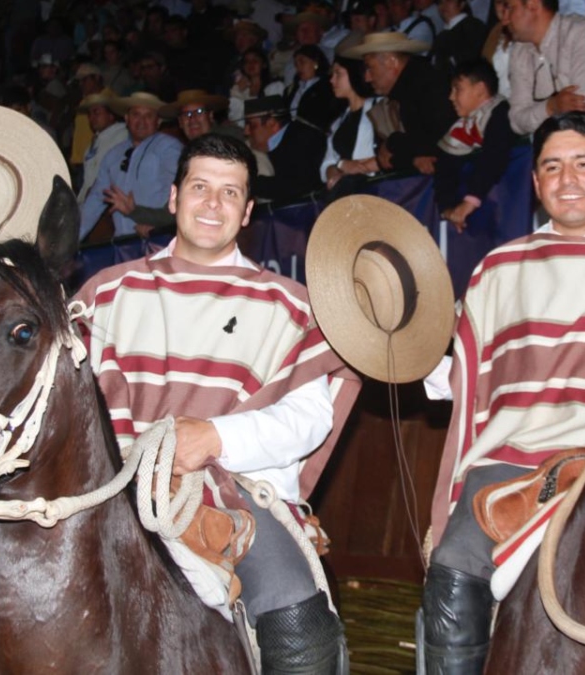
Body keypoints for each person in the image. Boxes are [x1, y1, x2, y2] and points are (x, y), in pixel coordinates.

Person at [74, 133, 358, 673]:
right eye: (200, 187)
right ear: (175, 197)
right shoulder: (107, 293)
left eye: (230, 193)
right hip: (112, 493)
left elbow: (308, 419)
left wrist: (216, 438)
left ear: (248, 211)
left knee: (297, 618)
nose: (213, 203)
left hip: (236, 495)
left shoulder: (289, 305)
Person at [418, 110, 585, 673]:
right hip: (510, 463)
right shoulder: (499, 268)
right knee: (454, 566)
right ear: (536, 184)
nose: (568, 180)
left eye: (584, 164)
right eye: (552, 168)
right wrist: (401, 350)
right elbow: (459, 372)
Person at [343, 32, 456, 175]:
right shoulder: (406, 90)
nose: (367, 78)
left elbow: (438, 140)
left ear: (392, 62)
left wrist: (393, 143)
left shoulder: (428, 85)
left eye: (370, 67)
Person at [79, 92, 183, 241]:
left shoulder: (169, 149)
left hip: (159, 240)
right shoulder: (113, 155)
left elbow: (179, 192)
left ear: (158, 121)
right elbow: (94, 201)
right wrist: (71, 242)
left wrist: (160, 224)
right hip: (124, 244)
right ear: (127, 119)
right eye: (136, 115)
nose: (141, 121)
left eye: (148, 116)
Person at [433, 59, 513, 233]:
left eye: (458, 89)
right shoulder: (460, 128)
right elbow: (444, 170)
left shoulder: (502, 114)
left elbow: (494, 157)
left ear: (480, 90)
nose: (451, 97)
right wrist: (448, 209)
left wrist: (470, 201)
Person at [505, 0, 585, 135]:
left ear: (533, 4)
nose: (505, 19)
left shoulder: (580, 32)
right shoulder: (519, 51)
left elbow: (582, 105)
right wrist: (551, 107)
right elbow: (516, 121)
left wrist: (540, 112)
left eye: (510, 8)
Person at [243, 95, 327, 202]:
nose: (246, 131)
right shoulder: (271, 145)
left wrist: (246, 182)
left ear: (272, 124)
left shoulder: (304, 138)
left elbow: (296, 186)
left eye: (251, 125)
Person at [321, 49, 379, 197]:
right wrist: (335, 173)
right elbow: (328, 162)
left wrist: (356, 167)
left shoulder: (379, 109)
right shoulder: (338, 121)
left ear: (354, 74)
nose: (332, 80)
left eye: (338, 73)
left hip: (375, 191)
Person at [75, 88, 129, 205]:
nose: (91, 118)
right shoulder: (95, 141)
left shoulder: (122, 135)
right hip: (89, 201)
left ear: (111, 115)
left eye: (96, 112)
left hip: (105, 201)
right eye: (89, 114)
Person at [285, 44, 342, 134]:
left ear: (315, 63)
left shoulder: (328, 86)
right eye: (296, 64)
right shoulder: (293, 88)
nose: (298, 67)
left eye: (302, 62)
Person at [431, 0, 488, 71]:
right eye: (440, 2)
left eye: (449, 1)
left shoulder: (474, 26)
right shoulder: (441, 34)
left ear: (462, 4)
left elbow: (471, 59)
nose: (444, 6)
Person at [161, 88, 232, 142]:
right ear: (180, 122)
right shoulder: (185, 153)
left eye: (199, 111)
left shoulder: (227, 141)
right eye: (187, 114)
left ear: (210, 115)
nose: (192, 119)